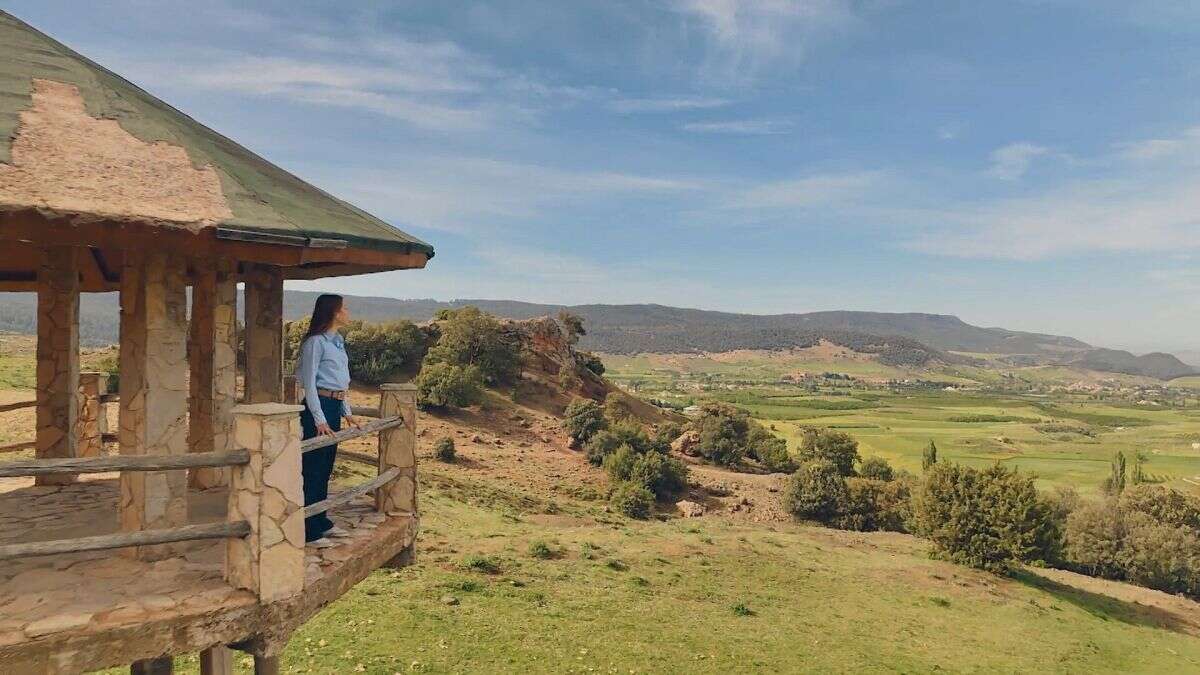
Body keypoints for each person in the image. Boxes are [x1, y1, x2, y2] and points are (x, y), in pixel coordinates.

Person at [295, 294, 361, 546]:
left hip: (333, 405)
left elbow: (340, 381)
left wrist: (346, 411)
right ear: (333, 312)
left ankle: (321, 521)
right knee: (313, 468)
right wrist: (319, 418)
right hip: (318, 407)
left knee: (325, 468)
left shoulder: (337, 341)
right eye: (343, 308)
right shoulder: (315, 342)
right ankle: (309, 531)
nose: (347, 311)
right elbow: (309, 384)